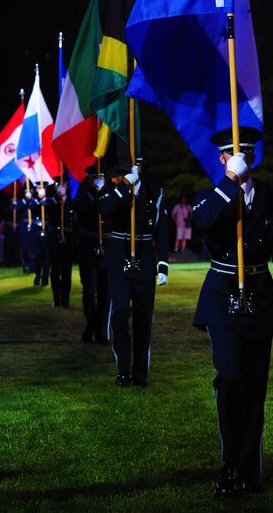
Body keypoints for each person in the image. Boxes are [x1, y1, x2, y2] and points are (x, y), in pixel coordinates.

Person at [191, 126, 273, 498]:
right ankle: (231, 464)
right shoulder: (210, 196)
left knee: (255, 389)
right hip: (222, 298)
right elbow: (201, 222)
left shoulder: (272, 197)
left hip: (260, 298)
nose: (243, 159)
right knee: (231, 376)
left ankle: (250, 472)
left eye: (248, 154)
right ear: (223, 159)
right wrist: (231, 183)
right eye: (235, 155)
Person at [98, 160, 169, 387]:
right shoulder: (112, 189)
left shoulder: (154, 192)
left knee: (143, 320)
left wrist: (164, 265)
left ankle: (140, 374)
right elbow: (105, 209)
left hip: (145, 260)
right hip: (119, 260)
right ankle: (123, 369)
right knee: (119, 313)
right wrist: (126, 185)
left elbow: (163, 229)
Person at [73, 166, 111, 344]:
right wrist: (95, 191)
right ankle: (91, 326)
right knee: (89, 291)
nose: (99, 179)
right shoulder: (84, 195)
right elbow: (78, 206)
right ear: (89, 179)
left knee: (106, 292)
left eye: (101, 176)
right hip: (88, 249)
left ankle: (100, 330)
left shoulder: (110, 193)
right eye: (95, 177)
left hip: (107, 248)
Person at [45, 176, 75, 308]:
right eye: (59, 184)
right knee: (55, 269)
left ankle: (65, 299)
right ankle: (56, 298)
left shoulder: (72, 201)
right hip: (54, 236)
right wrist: (58, 198)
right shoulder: (51, 201)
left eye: (64, 184)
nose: (62, 187)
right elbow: (49, 210)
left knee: (67, 270)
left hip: (68, 236)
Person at [28, 183, 50, 286]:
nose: (41, 189)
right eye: (39, 188)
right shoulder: (34, 200)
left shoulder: (50, 200)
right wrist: (39, 199)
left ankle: (45, 278)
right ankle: (37, 275)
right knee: (37, 255)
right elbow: (30, 207)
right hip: (36, 228)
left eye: (43, 188)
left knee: (47, 255)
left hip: (47, 228)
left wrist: (44, 201)